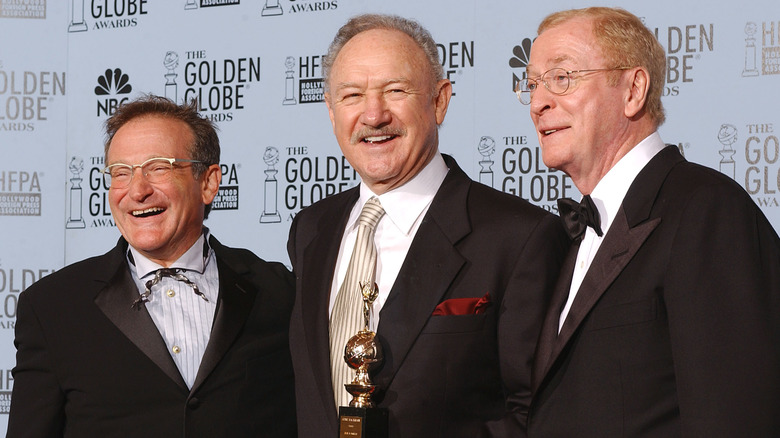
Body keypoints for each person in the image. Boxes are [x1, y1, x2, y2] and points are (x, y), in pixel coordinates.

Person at [287, 13, 568, 438]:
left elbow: (535, 412)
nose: (373, 114)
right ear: (330, 110)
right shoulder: (311, 229)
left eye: (395, 91)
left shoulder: (519, 237)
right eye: (352, 95)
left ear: (439, 100)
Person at [521, 7, 780, 437]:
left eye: (561, 78)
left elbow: (735, 416)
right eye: (532, 83)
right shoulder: (577, 234)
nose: (537, 102)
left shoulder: (706, 211)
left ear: (633, 90)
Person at [8, 95, 297, 438]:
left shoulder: (280, 291)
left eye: (158, 167)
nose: (137, 190)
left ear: (208, 182)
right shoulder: (53, 306)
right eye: (121, 173)